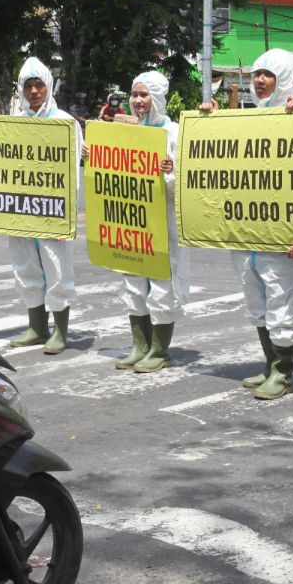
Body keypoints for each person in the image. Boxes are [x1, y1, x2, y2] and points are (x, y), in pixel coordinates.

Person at [202, 49, 293, 399]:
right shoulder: (244, 120)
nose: (259, 81)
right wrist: (210, 124)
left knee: (282, 299)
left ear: (283, 81)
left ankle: (284, 370)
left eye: (268, 75)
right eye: (256, 74)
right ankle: (269, 364)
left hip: (280, 233)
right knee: (257, 300)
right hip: (246, 231)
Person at [110, 71, 189, 372]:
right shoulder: (125, 130)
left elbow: (184, 185)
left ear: (156, 98)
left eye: (144, 95)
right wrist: (94, 156)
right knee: (132, 280)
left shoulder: (174, 133)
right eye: (135, 95)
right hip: (133, 219)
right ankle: (139, 345)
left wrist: (169, 172)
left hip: (163, 221)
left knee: (162, 282)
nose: (138, 101)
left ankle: (159, 349)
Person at [9, 56, 81, 355]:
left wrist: (67, 214)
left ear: (48, 87)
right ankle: (37, 327)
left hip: (52, 211)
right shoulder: (14, 124)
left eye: (39, 85)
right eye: (29, 86)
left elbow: (72, 172)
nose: (35, 91)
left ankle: (60, 331)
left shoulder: (64, 122)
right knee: (25, 267)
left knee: (56, 269)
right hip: (21, 210)